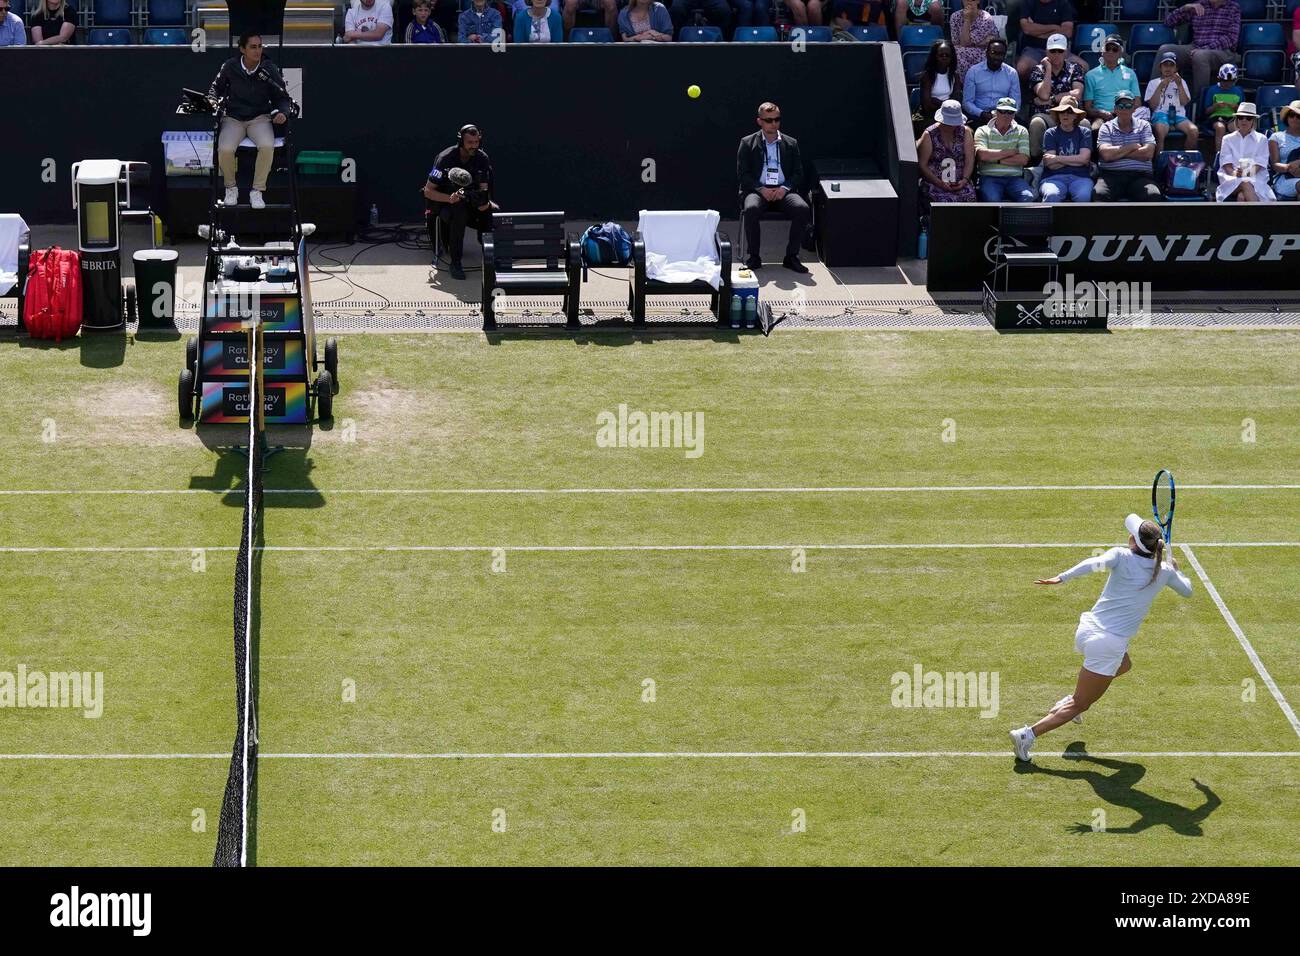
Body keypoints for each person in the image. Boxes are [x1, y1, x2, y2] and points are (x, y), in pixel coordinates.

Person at [1010, 514, 1193, 762]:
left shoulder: (1120, 555)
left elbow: (1094, 562)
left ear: (1134, 542)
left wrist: (1062, 577)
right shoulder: (1166, 571)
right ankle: (1027, 735)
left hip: (1087, 630)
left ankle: (1071, 698)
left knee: (1125, 665)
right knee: (1080, 704)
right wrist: (1177, 571)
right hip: (1107, 644)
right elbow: (1188, 591)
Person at [208, 33, 294, 210]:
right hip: (233, 118)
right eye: (253, 47)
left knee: (267, 146)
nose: (258, 51)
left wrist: (284, 113)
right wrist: (212, 101)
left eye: (260, 46)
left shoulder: (269, 68)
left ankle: (257, 191)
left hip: (260, 118)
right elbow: (214, 90)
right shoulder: (230, 66)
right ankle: (231, 188)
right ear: (242, 49)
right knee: (224, 149)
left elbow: (283, 97)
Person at [737, 101, 811, 273]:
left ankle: (791, 257)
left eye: (777, 119)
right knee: (751, 208)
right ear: (759, 121)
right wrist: (761, 188)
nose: (774, 123)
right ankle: (754, 257)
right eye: (769, 120)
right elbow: (743, 174)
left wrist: (784, 188)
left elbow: (798, 173)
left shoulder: (791, 143)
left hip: (783, 190)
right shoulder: (747, 143)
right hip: (758, 190)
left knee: (802, 208)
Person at [422, 125, 497, 280]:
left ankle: (490, 254)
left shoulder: (482, 158)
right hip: (447, 202)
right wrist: (449, 198)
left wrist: (485, 201)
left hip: (469, 198)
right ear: (461, 141)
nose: (474, 146)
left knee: (492, 210)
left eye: (476, 142)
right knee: (459, 213)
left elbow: (484, 186)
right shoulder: (445, 158)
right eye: (470, 142)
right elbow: (428, 191)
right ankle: (455, 263)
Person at [1157, 0, 1241, 100]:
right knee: (1165, 50)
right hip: (1195, 47)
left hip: (1222, 51)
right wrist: (1185, 8)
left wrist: (1205, 49)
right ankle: (1154, 95)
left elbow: (1231, 39)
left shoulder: (1233, 8)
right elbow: (1168, 22)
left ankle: (1199, 103)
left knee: (1200, 56)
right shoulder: (1199, 6)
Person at [1027, 33, 1085, 160]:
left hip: (1071, 113)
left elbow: (1077, 93)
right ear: (1047, 51)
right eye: (1053, 50)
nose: (1056, 54)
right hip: (1046, 115)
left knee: (1085, 123)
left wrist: (1051, 100)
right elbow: (1043, 93)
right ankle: (1036, 162)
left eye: (1060, 50)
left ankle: (1082, 159)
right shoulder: (1038, 70)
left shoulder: (1075, 68)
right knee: (1036, 123)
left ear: (1066, 52)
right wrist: (1048, 69)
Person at [1094, 92, 1160, 201]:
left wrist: (1118, 153)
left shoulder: (1144, 125)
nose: (1124, 109)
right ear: (1115, 109)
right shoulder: (1106, 127)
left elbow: (1148, 153)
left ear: (1134, 109)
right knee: (1099, 194)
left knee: (1153, 195)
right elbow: (1106, 155)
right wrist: (1132, 146)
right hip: (1110, 176)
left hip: (1140, 176)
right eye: (1121, 106)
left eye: (1128, 106)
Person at [974, 97, 1035, 202]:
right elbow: (982, 156)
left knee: (1028, 197)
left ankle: (1018, 219)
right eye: (1003, 111)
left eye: (1010, 112)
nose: (1006, 115)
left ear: (1014, 114)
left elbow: (1023, 159)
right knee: (992, 199)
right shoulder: (982, 130)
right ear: (996, 112)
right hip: (989, 178)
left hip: (1015, 178)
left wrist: (996, 159)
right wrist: (1011, 152)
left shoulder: (1022, 131)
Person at [917, 100, 976, 203]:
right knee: (942, 200)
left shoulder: (966, 132)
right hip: (934, 182)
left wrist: (964, 180)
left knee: (970, 197)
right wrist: (939, 183)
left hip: (959, 182)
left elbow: (969, 160)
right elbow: (922, 164)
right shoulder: (929, 134)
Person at [1083, 33, 1142, 133]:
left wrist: (1123, 112)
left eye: (1115, 49)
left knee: (1145, 127)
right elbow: (1088, 108)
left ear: (1120, 53)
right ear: (1102, 51)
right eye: (1107, 48)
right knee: (1095, 129)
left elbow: (1137, 102)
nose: (1110, 52)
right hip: (1101, 116)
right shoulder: (1090, 75)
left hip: (1126, 114)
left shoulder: (1130, 73)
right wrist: (1101, 113)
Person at [1038, 96, 1092, 202]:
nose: (1065, 114)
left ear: (1076, 115)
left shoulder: (1085, 132)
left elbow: (1084, 159)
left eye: (1069, 112)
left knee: (1084, 196)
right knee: (1051, 195)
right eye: (1062, 111)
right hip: (1053, 178)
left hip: (1080, 177)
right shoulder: (1050, 133)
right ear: (1058, 114)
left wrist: (1056, 158)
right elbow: (1050, 164)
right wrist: (1076, 160)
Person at [1216, 102, 1274, 202]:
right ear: (1237, 119)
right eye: (1241, 117)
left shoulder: (1262, 139)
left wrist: (1246, 173)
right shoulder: (1227, 139)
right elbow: (1226, 164)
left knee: (1242, 196)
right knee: (1245, 183)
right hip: (1231, 178)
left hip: (1255, 178)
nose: (1244, 120)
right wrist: (1235, 173)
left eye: (1248, 118)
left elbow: (1260, 163)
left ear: (1253, 121)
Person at [1015, 0, 1087, 79]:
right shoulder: (1028, 3)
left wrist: (1037, 31)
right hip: (1034, 49)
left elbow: (1067, 31)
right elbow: (1027, 29)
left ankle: (1061, 86)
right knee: (1022, 68)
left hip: (1060, 50)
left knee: (1083, 67)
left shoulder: (1063, 3)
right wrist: (1054, 27)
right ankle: (1034, 87)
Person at [1144, 52, 1197, 153]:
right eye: (1165, 65)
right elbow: (1152, 106)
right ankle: (1159, 162)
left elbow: (1184, 102)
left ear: (1176, 68)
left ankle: (1185, 161)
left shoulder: (1182, 82)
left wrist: (1179, 85)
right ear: (1160, 67)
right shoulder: (1153, 82)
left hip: (1179, 115)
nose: (1168, 68)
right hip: (1160, 114)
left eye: (1171, 65)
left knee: (1193, 130)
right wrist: (1160, 86)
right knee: (1159, 130)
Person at [963, 38, 1020, 128]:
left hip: (1004, 116)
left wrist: (1003, 115)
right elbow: (967, 102)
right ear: (986, 53)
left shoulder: (1011, 73)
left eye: (1001, 54)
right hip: (978, 117)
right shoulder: (973, 72)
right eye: (993, 53)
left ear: (1005, 55)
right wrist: (982, 114)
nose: (997, 57)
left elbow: (1016, 102)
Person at [1198, 62, 1244, 156]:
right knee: (1220, 128)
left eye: (1230, 81)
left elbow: (1242, 111)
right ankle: (1219, 156)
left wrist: (1236, 107)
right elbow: (1206, 111)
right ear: (1219, 79)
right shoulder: (1212, 90)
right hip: (1216, 117)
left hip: (1232, 117)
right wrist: (1215, 106)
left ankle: (1237, 156)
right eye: (1224, 81)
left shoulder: (1238, 91)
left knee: (1236, 129)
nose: (1227, 84)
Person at [949, 0, 999, 84]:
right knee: (955, 52)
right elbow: (956, 42)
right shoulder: (955, 17)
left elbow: (964, 43)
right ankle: (961, 87)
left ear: (978, 1)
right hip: (961, 51)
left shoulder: (986, 18)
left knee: (958, 52)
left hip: (983, 52)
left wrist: (967, 20)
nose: (969, 1)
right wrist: (979, 42)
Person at [919, 40, 962, 121]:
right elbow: (927, 106)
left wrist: (937, 101)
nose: (944, 57)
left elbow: (957, 100)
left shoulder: (955, 76)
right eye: (941, 55)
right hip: (931, 115)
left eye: (947, 55)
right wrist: (947, 104)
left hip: (950, 114)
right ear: (935, 56)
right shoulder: (927, 76)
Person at [1268, 100, 1300, 200]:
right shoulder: (1276, 137)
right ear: (1287, 117)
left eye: (1298, 116)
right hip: (1284, 178)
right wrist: (1289, 167)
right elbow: (1275, 165)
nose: (1295, 118)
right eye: (1291, 115)